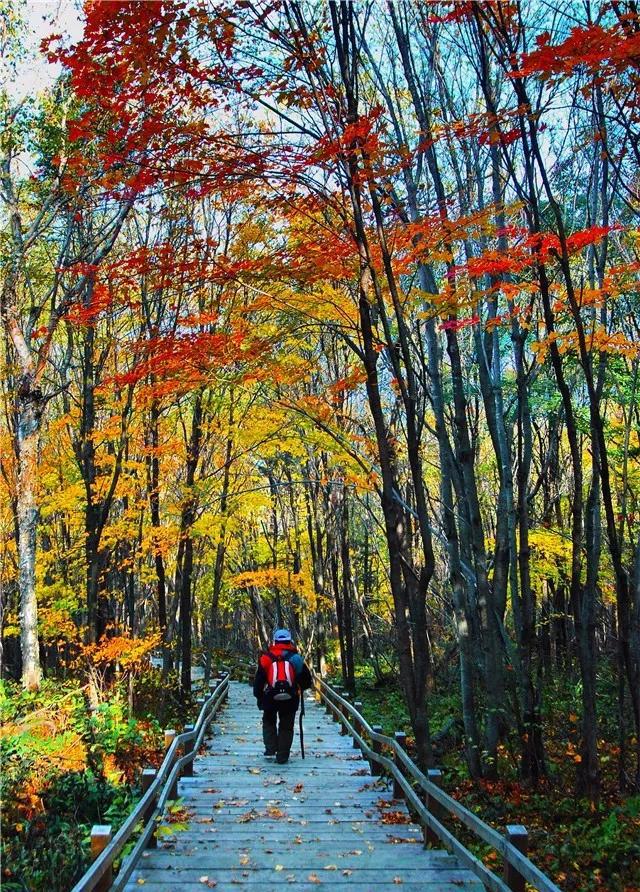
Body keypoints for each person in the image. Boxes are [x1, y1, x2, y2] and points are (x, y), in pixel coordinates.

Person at [253, 629, 312, 764]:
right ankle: (283, 755)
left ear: (275, 641)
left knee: (269, 722)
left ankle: (270, 748)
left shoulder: (266, 658)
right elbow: (307, 681)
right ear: (289, 641)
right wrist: (298, 688)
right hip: (290, 698)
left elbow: (258, 681)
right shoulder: (296, 658)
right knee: (286, 726)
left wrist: (259, 697)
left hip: (270, 697)